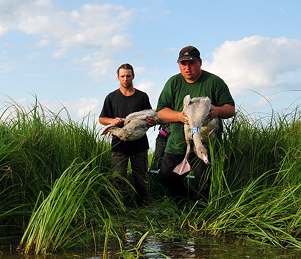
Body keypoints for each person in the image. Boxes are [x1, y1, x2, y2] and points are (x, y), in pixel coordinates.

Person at [156, 46, 235, 200]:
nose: (187, 67)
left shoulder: (214, 82)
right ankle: (184, 199)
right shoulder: (173, 82)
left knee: (203, 185)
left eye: (191, 63)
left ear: (200, 62)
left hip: (207, 142)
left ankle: (200, 213)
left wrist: (217, 111)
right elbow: (161, 111)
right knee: (165, 177)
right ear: (178, 64)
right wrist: (179, 116)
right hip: (178, 141)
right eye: (183, 63)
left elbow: (230, 109)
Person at [99, 63, 157, 205]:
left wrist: (152, 122)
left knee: (141, 177)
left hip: (140, 145)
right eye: (123, 76)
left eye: (128, 76)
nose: (125, 79)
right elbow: (102, 119)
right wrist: (112, 120)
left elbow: (150, 116)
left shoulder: (142, 96)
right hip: (119, 146)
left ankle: (143, 207)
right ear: (118, 77)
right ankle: (119, 207)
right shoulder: (111, 97)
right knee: (117, 178)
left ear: (133, 77)